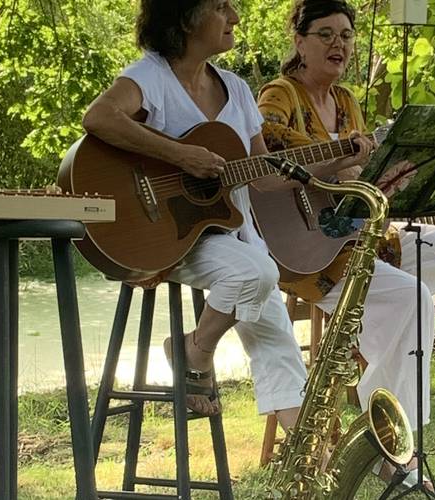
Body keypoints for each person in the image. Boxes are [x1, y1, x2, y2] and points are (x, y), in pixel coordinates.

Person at [256, 0, 435, 489]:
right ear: (299, 41)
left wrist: (381, 171)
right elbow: (266, 142)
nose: (340, 45)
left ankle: (371, 346)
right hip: (305, 248)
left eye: (347, 36)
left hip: (356, 234)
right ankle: (397, 451)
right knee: (411, 300)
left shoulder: (349, 101)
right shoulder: (280, 91)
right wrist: (340, 158)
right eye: (326, 34)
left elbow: (361, 175)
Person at [81, 0, 310, 424]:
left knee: (281, 351)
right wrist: (181, 156)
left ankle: (316, 470)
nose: (235, 18)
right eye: (222, 7)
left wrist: (327, 164)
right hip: (169, 237)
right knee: (258, 274)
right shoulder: (150, 76)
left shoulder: (236, 89)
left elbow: (262, 175)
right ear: (185, 17)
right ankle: (195, 353)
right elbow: (99, 117)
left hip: (235, 240)